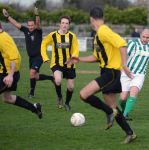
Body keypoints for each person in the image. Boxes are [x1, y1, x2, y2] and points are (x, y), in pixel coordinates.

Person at [65, 7, 137, 144]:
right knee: (113, 108)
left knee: (84, 94)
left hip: (110, 73)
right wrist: (79, 59)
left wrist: (125, 65)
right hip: (108, 72)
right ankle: (130, 133)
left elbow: (122, 44)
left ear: (91, 19)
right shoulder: (98, 35)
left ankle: (109, 113)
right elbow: (97, 57)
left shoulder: (103, 31)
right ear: (103, 18)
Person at [2, 7, 54, 98]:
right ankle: (51, 78)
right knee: (36, 77)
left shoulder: (38, 31)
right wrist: (8, 16)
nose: (30, 27)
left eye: (32, 25)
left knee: (31, 73)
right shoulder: (26, 30)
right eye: (29, 25)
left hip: (39, 56)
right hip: (31, 58)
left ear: (34, 25)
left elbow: (38, 24)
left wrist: (37, 15)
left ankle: (31, 94)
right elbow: (16, 24)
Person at [0, 19, 42, 119]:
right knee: (7, 99)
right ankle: (34, 108)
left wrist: (10, 76)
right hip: (5, 73)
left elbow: (14, 58)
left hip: (8, 74)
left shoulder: (3, 39)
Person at [41, 15, 79, 111]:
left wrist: (72, 59)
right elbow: (44, 43)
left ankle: (67, 103)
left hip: (69, 63)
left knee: (70, 87)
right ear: (59, 24)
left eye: (66, 23)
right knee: (57, 80)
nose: (64, 25)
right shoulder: (53, 35)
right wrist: (45, 57)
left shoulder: (72, 36)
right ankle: (60, 98)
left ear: (69, 25)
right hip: (56, 62)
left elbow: (75, 49)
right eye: (63, 23)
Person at [119, 29, 149, 121]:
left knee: (134, 93)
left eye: (147, 37)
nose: (145, 39)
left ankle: (124, 115)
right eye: (143, 37)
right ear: (140, 35)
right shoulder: (133, 43)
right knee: (123, 98)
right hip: (126, 73)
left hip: (139, 75)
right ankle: (124, 111)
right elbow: (123, 56)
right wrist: (121, 69)